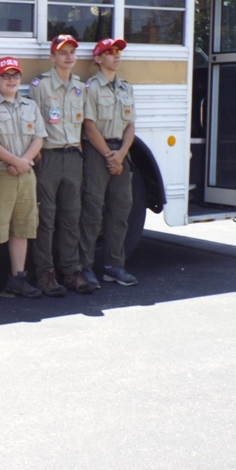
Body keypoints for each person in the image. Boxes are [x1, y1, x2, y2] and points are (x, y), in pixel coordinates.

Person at [28, 34, 96, 296]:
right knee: (46, 219)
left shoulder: (80, 87)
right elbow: (32, 123)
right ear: (52, 57)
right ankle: (45, 274)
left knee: (70, 217)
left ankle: (71, 272)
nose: (69, 56)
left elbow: (83, 126)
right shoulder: (41, 86)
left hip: (72, 158)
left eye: (72, 52)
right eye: (63, 52)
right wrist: (37, 157)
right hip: (49, 157)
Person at [0, 57, 46, 301]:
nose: (11, 80)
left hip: (25, 175)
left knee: (22, 228)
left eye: (15, 75)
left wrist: (24, 161)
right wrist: (17, 162)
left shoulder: (30, 106)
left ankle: (18, 280)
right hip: (2, 175)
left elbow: (39, 138)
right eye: (5, 75)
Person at [79, 38, 139, 287]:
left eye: (118, 52)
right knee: (92, 211)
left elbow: (131, 126)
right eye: (110, 52)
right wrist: (109, 156)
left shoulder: (126, 88)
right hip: (98, 153)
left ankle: (113, 266)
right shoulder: (91, 87)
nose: (117, 55)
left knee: (120, 210)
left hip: (121, 153)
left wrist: (122, 154)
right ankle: (84, 268)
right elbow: (89, 126)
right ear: (98, 58)